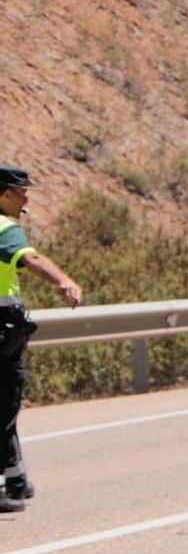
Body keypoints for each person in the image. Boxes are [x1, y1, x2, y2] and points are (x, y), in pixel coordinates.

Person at [0, 165, 83, 515]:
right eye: (21, 194)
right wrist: (63, 280)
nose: (26, 201)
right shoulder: (4, 228)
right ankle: (14, 482)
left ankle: (15, 481)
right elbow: (30, 258)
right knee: (5, 404)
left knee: (5, 405)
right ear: (5, 194)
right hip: (3, 329)